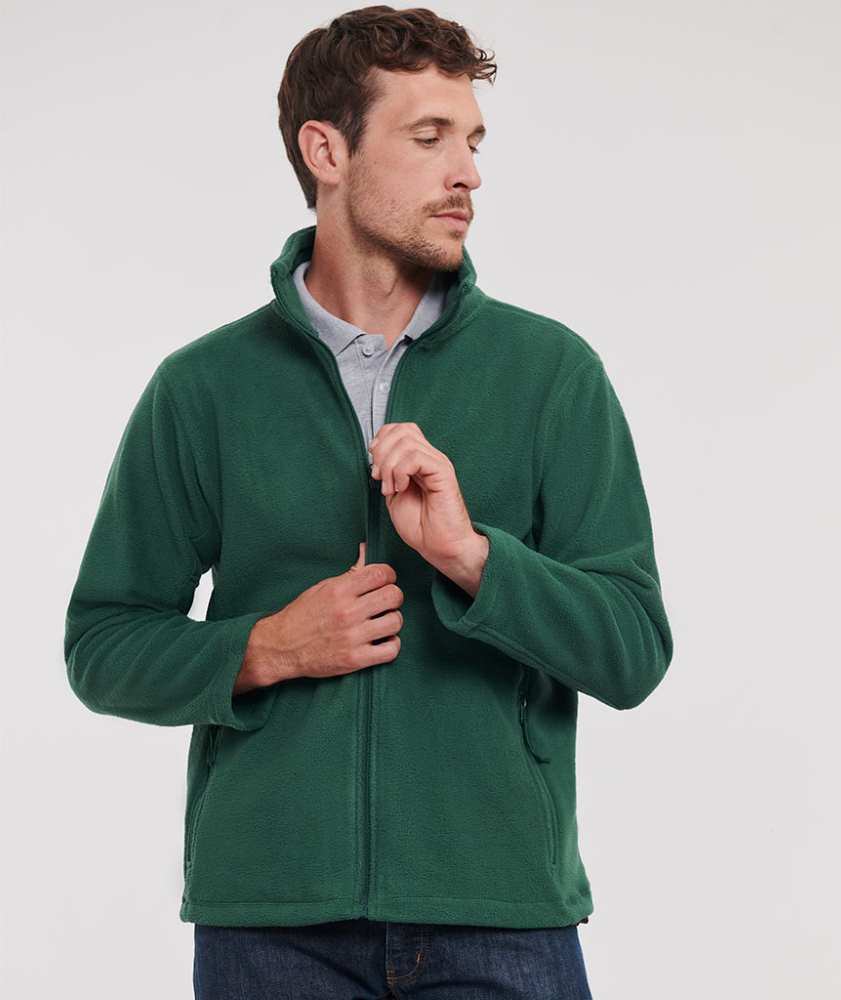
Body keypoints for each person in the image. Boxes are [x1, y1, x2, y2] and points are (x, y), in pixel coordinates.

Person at [64, 6, 674, 998]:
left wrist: (472, 557)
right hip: (271, 923)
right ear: (327, 151)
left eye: (472, 141)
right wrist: (268, 648)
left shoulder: (549, 373)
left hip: (499, 912)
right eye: (429, 137)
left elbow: (632, 650)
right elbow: (103, 644)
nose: (467, 173)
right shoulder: (205, 388)